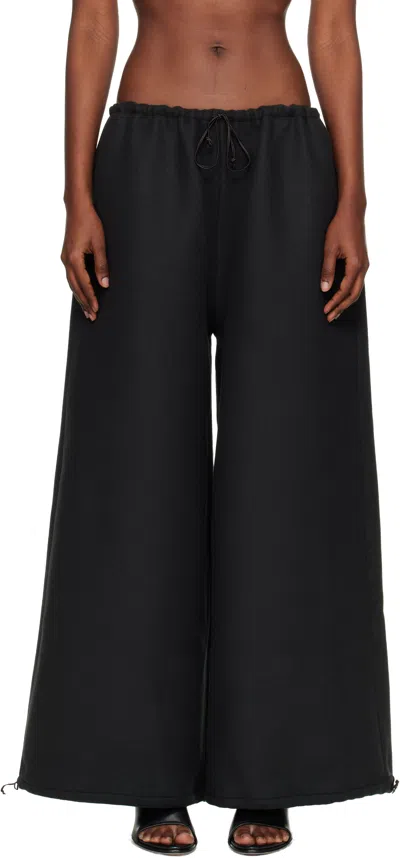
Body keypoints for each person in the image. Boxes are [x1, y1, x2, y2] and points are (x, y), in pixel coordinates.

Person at [11, 0, 396, 854]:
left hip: (288, 156)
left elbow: (335, 30)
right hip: (144, 156)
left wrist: (353, 201)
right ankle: (148, 775)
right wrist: (77, 195)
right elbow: (93, 22)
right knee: (136, 468)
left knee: (289, 470)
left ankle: (272, 773)